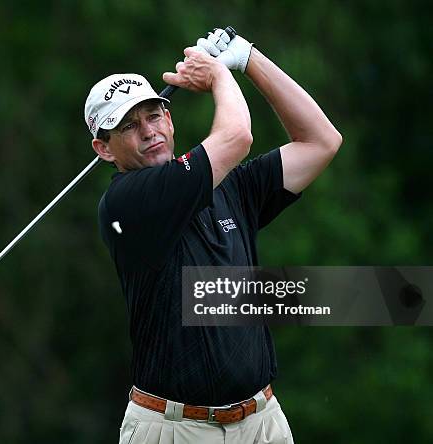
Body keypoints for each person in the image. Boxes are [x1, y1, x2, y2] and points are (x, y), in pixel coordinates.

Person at [83, 27, 342, 444]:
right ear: (105, 149)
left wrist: (249, 58)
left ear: (169, 117)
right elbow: (237, 137)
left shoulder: (230, 188)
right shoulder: (125, 203)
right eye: (128, 126)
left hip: (262, 421)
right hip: (175, 429)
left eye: (153, 115)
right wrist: (221, 76)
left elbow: (321, 141)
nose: (148, 131)